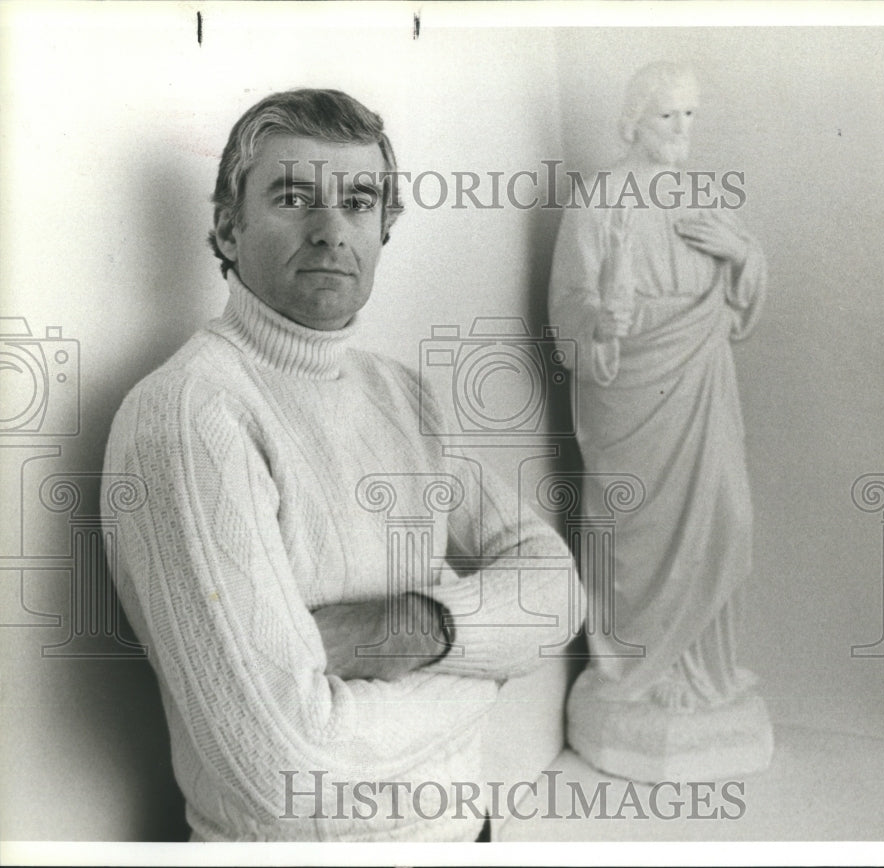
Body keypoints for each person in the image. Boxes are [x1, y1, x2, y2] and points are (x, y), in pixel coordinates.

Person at [102, 88, 582, 842]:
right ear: (229, 226)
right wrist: (489, 660)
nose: (331, 231)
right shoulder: (191, 413)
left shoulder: (400, 395)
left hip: (467, 835)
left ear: (384, 229)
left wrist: (419, 627)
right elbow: (287, 765)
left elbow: (556, 590)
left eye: (359, 202)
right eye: (294, 198)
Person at [548, 63, 771, 780]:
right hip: (631, 395)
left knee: (726, 517)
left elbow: (738, 304)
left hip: (702, 384)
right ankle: (637, 674)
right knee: (638, 530)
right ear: (633, 121)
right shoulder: (600, 199)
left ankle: (701, 672)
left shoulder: (706, 197)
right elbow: (569, 306)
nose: (681, 130)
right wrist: (601, 322)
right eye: (666, 116)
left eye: (690, 116)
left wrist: (745, 257)